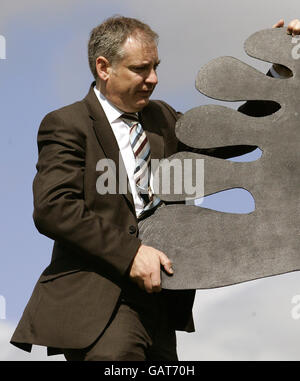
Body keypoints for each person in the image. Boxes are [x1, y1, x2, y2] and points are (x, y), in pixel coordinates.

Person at [10, 16, 300, 361]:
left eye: (156, 67)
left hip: (162, 305)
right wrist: (130, 253)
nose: (154, 79)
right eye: (140, 69)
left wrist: (284, 67)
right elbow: (54, 209)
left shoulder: (163, 118)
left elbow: (224, 142)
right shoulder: (66, 124)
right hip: (102, 307)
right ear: (104, 67)